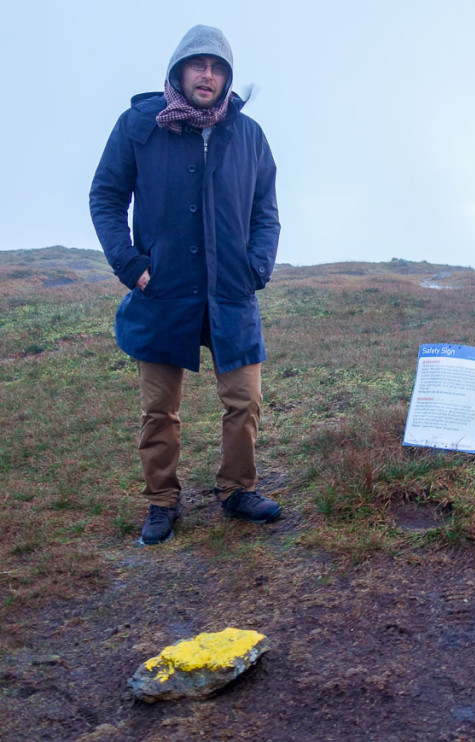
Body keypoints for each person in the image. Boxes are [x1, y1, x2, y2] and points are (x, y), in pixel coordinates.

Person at [90, 24, 282, 545]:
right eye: (199, 64)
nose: (208, 75)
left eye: (218, 67)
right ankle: (161, 501)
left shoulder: (248, 134)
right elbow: (106, 197)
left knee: (244, 401)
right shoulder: (140, 125)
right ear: (178, 70)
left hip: (231, 292)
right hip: (162, 291)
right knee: (160, 408)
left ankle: (237, 490)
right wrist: (132, 265)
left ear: (227, 77)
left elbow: (266, 210)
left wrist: (257, 265)